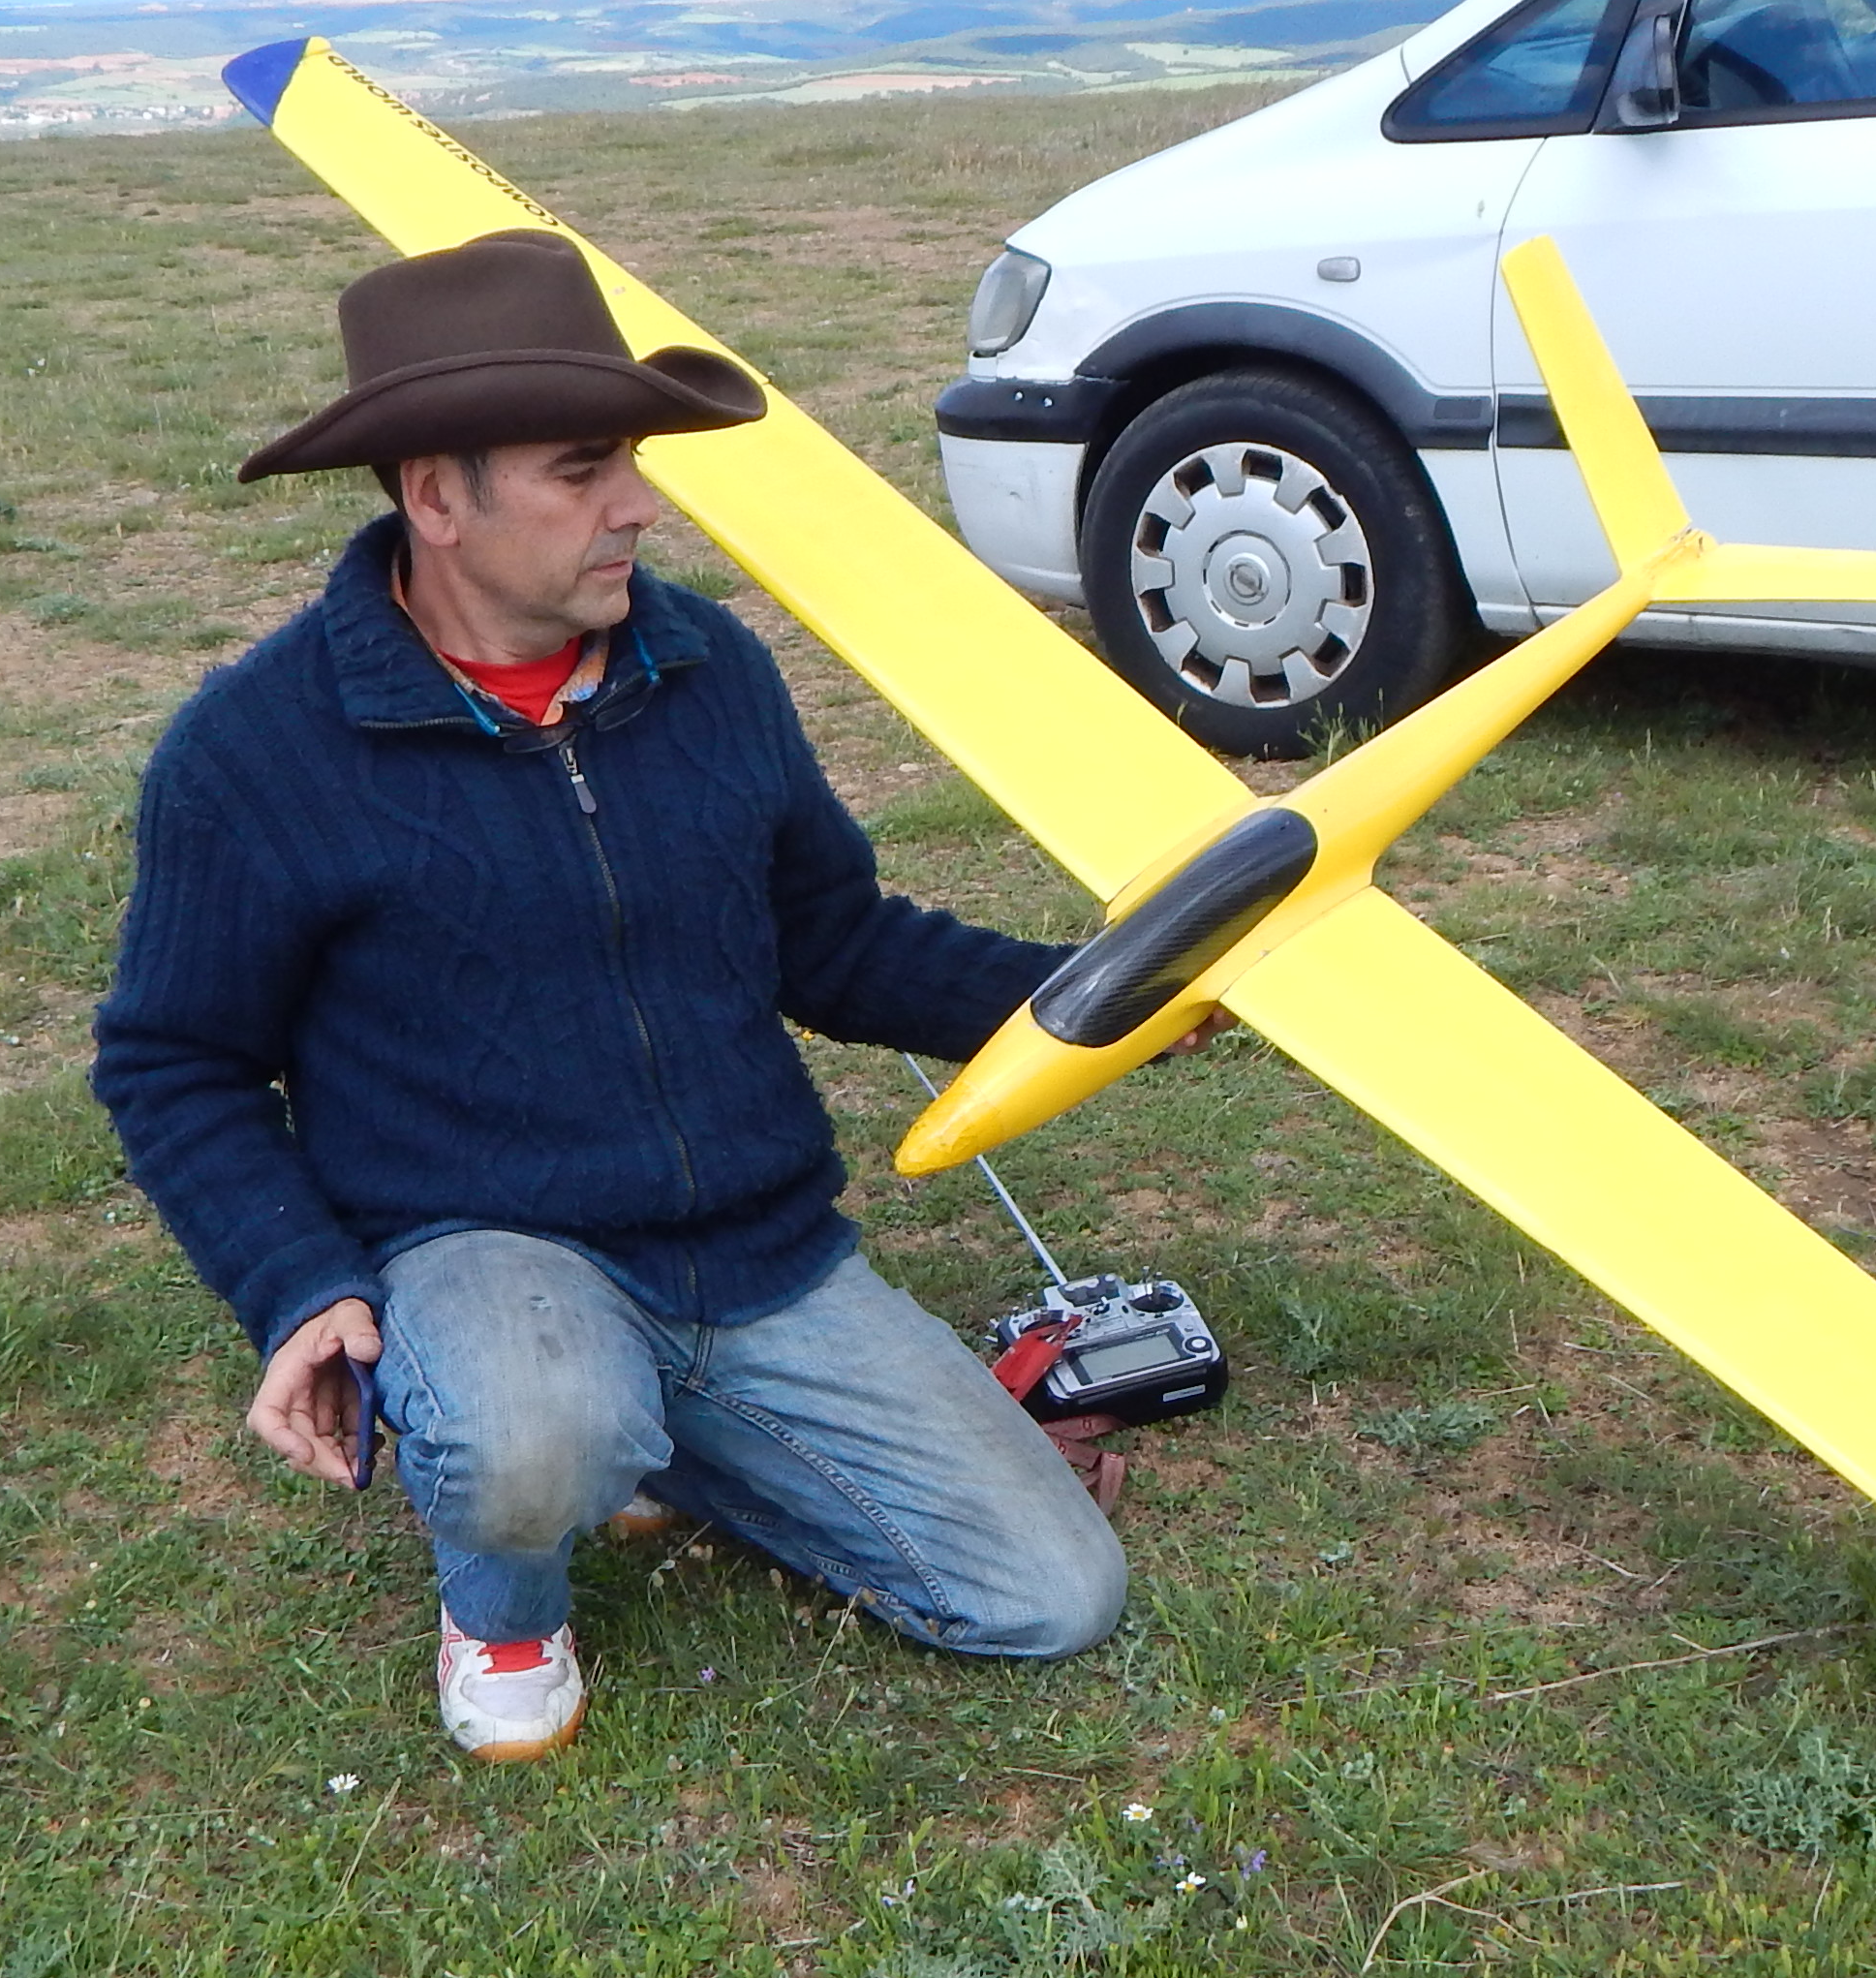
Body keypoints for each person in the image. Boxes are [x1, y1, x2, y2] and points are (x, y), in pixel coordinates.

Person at [91, 231, 1129, 1762]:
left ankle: (668, 1441)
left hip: (757, 1258)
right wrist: (297, 1282)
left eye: (634, 461)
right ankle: (506, 1605)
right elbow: (174, 1061)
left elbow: (833, 942)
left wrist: (1105, 998)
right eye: (584, 471)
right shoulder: (255, 751)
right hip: (482, 1249)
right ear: (436, 497)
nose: (639, 503)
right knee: (532, 1432)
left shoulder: (710, 670)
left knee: (1051, 1597)